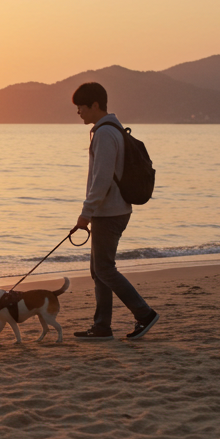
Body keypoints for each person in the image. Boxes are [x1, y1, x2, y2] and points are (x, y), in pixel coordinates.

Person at [71, 82, 161, 341]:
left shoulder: (105, 133)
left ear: (95, 105)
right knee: (99, 270)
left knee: (104, 269)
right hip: (112, 210)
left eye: (81, 106)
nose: (78, 112)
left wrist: (86, 213)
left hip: (109, 212)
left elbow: (101, 179)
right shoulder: (111, 129)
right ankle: (101, 327)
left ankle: (144, 314)